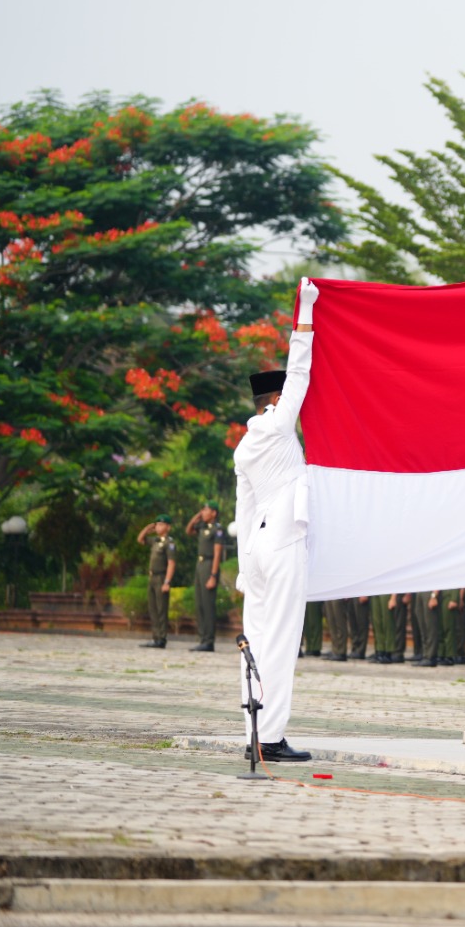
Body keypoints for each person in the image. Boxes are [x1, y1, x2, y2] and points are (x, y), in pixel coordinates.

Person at [232, 277, 319, 763]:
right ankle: (271, 739)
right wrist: (305, 310)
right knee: (283, 639)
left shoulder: (243, 448)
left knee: (258, 638)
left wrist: (245, 569)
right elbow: (300, 369)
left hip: (258, 552)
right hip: (284, 542)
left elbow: (243, 512)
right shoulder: (281, 424)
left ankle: (253, 728)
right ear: (275, 400)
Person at [185, 503, 227, 652]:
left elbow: (217, 554)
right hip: (200, 565)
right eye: (202, 509)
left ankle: (209, 641)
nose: (203, 512)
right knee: (199, 604)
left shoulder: (218, 529)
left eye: (206, 510)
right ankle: (202, 638)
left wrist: (213, 576)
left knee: (208, 605)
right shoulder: (202, 527)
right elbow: (188, 530)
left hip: (209, 565)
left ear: (214, 513)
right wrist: (197, 516)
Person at [136, 515, 177, 649]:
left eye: (161, 524)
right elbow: (140, 539)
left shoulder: (169, 543)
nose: (158, 527)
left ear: (168, 527)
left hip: (161, 578)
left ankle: (162, 638)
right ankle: (155, 637)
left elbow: (171, 563)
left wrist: (167, 582)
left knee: (161, 609)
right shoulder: (155, 540)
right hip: (152, 578)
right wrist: (148, 528)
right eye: (157, 524)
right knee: (152, 608)